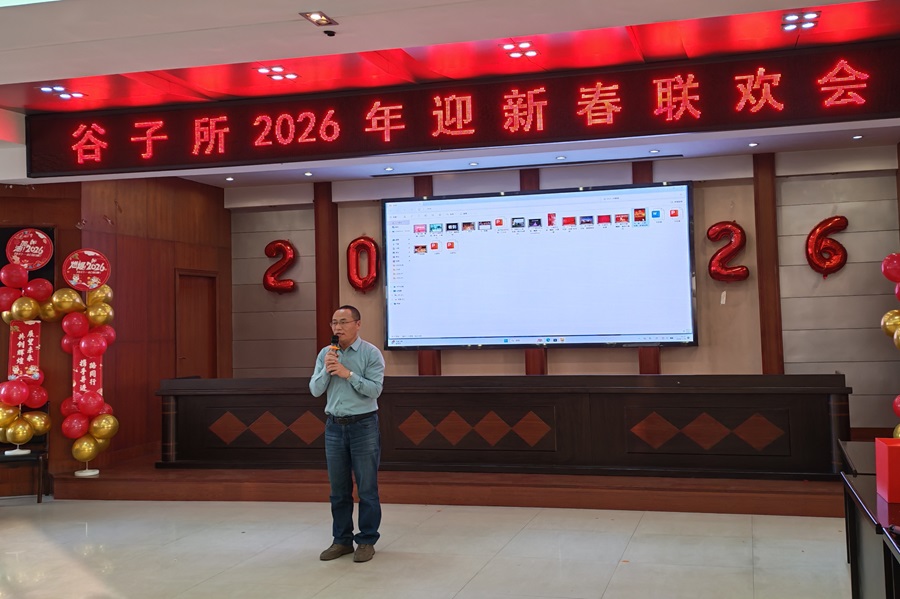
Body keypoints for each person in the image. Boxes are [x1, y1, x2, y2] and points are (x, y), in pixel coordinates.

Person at [309, 305, 386, 563]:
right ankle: (341, 541)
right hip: (334, 427)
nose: (337, 327)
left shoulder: (370, 353)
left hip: (363, 426)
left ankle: (366, 540)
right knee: (338, 490)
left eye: (343, 322)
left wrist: (348, 374)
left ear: (357, 324)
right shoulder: (326, 353)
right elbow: (315, 390)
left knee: (367, 488)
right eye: (334, 322)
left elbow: (375, 390)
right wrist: (327, 369)